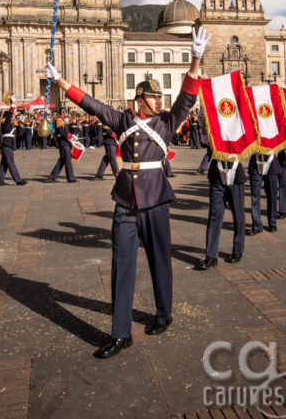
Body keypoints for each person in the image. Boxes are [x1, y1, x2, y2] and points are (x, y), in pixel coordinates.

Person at [44, 26, 209, 359]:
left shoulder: (167, 121)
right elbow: (90, 104)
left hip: (156, 199)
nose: (161, 101)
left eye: (161, 98)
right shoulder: (121, 120)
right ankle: (120, 333)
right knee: (122, 264)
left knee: (160, 259)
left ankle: (164, 314)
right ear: (139, 100)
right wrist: (61, 81)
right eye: (155, 97)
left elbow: (188, 96)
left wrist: (196, 58)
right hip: (125, 201)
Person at [196, 153, 246, 269]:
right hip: (217, 174)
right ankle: (211, 255)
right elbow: (206, 144)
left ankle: (238, 249)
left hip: (235, 172)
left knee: (238, 215)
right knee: (214, 215)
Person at [0, 97, 27, 186]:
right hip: (7, 145)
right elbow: (9, 114)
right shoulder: (5, 123)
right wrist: (12, 104)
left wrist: (19, 126)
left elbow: (18, 134)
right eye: (11, 117)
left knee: (4, 164)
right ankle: (18, 180)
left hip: (9, 144)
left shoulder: (10, 125)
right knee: (11, 163)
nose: (12, 118)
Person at [47, 115, 77, 183]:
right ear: (62, 113)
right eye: (65, 112)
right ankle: (70, 178)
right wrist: (70, 136)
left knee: (62, 160)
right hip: (63, 143)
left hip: (65, 143)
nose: (67, 114)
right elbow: (61, 132)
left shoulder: (63, 121)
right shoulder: (59, 121)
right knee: (67, 161)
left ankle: (53, 176)